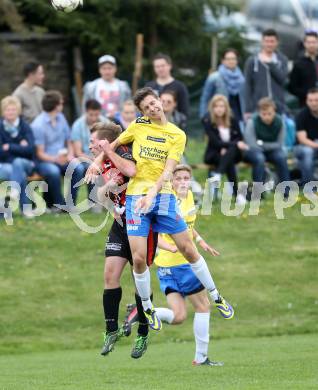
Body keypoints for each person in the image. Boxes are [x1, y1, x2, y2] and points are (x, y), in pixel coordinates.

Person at [86, 87, 234, 333]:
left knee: (188, 248)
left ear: (161, 103)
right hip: (135, 198)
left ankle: (216, 295)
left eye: (154, 103)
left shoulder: (177, 134)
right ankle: (147, 307)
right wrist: (95, 161)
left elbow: (169, 169)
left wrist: (153, 192)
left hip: (162, 195)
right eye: (147, 107)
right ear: (143, 112)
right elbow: (111, 144)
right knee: (140, 258)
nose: (153, 108)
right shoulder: (138, 125)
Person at [90, 122, 157, 359]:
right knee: (110, 273)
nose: (90, 146)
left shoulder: (123, 152)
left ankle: (143, 333)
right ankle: (110, 330)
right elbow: (105, 194)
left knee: (140, 279)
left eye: (93, 142)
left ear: (106, 142)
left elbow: (134, 173)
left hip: (141, 222)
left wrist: (112, 184)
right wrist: (108, 201)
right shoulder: (101, 162)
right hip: (120, 224)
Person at [154, 164, 224, 366]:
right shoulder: (167, 202)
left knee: (178, 316)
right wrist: (171, 247)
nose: (183, 182)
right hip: (181, 264)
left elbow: (187, 227)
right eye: (179, 179)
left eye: (186, 178)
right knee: (203, 306)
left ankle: (144, 312)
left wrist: (201, 241)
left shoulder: (189, 196)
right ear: (171, 182)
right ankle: (201, 358)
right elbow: (153, 232)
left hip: (166, 267)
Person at [31, 90, 83, 211]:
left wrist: (70, 154)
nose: (62, 105)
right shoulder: (38, 125)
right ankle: (59, 205)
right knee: (53, 171)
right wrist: (55, 159)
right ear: (56, 106)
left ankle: (69, 204)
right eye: (61, 103)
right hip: (44, 161)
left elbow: (69, 139)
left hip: (62, 157)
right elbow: (39, 153)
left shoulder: (61, 117)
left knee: (78, 168)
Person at [202, 95, 248, 202]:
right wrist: (229, 146)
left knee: (230, 154)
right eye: (216, 106)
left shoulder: (233, 119)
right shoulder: (207, 120)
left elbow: (240, 138)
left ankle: (217, 174)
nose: (219, 109)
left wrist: (227, 147)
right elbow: (215, 142)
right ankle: (237, 195)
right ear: (212, 108)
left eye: (222, 106)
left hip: (232, 154)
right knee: (229, 160)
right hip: (214, 154)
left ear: (226, 107)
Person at [243, 97, 290, 192]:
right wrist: (265, 146)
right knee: (259, 159)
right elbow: (251, 144)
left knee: (281, 157)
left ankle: (286, 191)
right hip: (254, 151)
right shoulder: (252, 122)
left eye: (270, 114)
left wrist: (262, 144)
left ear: (274, 111)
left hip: (272, 151)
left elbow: (279, 144)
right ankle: (257, 192)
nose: (267, 117)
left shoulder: (280, 122)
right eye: (264, 114)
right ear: (259, 112)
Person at [0, 96, 35, 217]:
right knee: (19, 173)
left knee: (18, 164)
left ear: (18, 111)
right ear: (3, 111)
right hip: (5, 164)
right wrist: (19, 146)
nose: (10, 112)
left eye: (13, 110)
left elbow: (30, 150)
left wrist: (9, 146)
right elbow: (0, 152)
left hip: (27, 163)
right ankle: (26, 210)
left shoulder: (25, 127)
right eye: (7, 110)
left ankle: (4, 208)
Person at [244, 29, 288, 117]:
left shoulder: (282, 59)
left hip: (278, 106)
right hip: (258, 107)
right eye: (266, 41)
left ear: (277, 43)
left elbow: (283, 80)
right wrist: (248, 109)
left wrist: (270, 64)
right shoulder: (252, 61)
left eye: (272, 41)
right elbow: (248, 85)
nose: (269, 44)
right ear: (262, 42)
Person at [199, 49, 245, 126]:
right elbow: (205, 98)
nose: (231, 61)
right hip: (219, 118)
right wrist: (203, 116)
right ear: (223, 61)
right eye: (228, 59)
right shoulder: (214, 77)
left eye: (233, 59)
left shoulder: (242, 79)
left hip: (238, 118)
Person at [146, 53, 189, 118]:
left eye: (163, 66)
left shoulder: (180, 87)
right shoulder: (149, 86)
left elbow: (184, 111)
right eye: (157, 66)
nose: (160, 69)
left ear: (170, 66)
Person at [294, 88, 318, 187]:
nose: (313, 103)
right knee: (308, 152)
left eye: (316, 100)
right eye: (310, 100)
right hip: (302, 147)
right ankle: (308, 185)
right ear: (307, 101)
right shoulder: (302, 115)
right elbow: (302, 139)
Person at [289, 31, 318, 107]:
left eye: (314, 42)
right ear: (304, 44)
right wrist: (308, 95)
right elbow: (293, 87)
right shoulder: (299, 64)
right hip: (306, 105)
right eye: (309, 42)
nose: (311, 45)